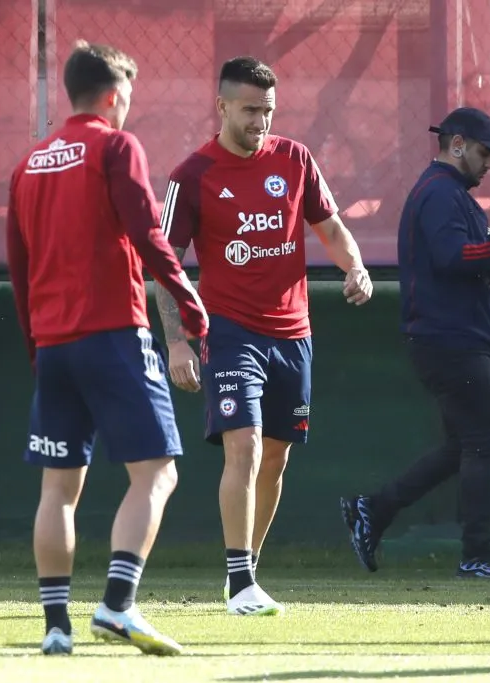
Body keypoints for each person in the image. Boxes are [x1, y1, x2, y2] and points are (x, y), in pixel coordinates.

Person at [6, 40, 208, 656]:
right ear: (115, 95)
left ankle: (56, 627)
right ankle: (117, 606)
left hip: (54, 344)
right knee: (158, 473)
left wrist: (37, 349)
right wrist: (188, 300)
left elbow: (19, 268)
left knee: (58, 490)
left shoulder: (29, 164)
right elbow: (148, 232)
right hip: (115, 333)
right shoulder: (117, 146)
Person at [154, 56, 373, 616]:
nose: (260, 121)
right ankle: (241, 580)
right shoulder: (191, 175)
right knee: (245, 447)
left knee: (275, 455)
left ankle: (245, 571)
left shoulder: (295, 159)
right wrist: (176, 341)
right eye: (250, 110)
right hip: (229, 330)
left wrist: (355, 267)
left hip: (293, 333)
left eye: (268, 110)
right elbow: (165, 264)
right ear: (222, 107)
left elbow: (330, 227)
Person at [339, 108, 490, 579]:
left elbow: (465, 258)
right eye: (485, 152)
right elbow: (453, 256)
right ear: (458, 144)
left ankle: (374, 509)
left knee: (463, 445)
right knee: (483, 440)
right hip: (451, 338)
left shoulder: (448, 194)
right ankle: (477, 550)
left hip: (450, 335)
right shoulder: (440, 193)